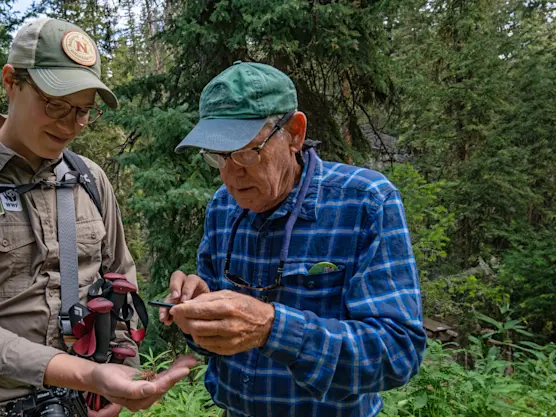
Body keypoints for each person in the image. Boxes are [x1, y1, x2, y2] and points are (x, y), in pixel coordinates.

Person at [0, 18, 195, 417]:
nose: (70, 125)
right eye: (55, 105)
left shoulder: (91, 181)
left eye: (84, 111)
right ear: (11, 81)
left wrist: (121, 376)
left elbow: (121, 285)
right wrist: (89, 375)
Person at [158, 61, 426, 416]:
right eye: (218, 156)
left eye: (246, 152)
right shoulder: (223, 207)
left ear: (295, 134)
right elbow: (216, 345)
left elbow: (398, 353)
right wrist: (198, 314)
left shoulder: (365, 201)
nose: (231, 174)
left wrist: (272, 328)